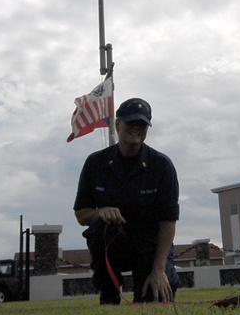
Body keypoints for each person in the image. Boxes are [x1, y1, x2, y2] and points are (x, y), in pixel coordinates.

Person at [73, 97, 180, 304]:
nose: (136, 128)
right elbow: (81, 214)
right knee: (99, 228)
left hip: (149, 245)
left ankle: (152, 285)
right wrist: (100, 212)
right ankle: (109, 293)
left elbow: (168, 223)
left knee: (156, 299)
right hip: (115, 243)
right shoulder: (95, 163)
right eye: (130, 122)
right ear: (117, 124)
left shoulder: (162, 166)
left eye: (141, 123)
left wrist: (159, 270)